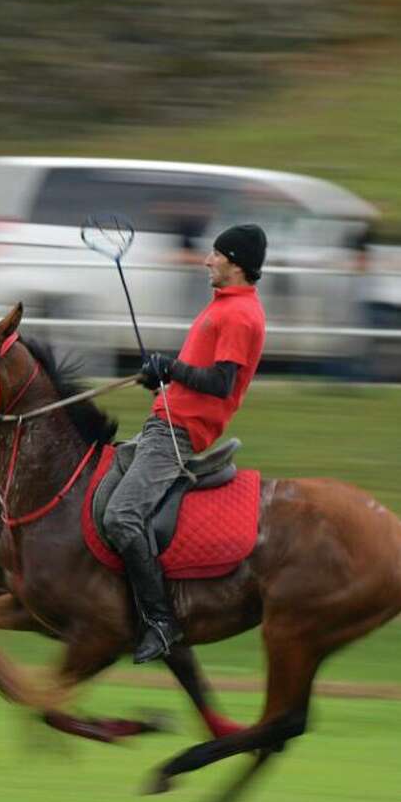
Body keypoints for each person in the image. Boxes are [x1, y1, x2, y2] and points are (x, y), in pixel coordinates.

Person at [105, 223, 268, 664]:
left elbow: (220, 382)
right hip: (163, 422)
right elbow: (196, 375)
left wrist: (170, 369)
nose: (207, 260)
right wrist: (161, 379)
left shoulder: (239, 315)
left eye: (216, 254)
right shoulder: (224, 306)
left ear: (234, 262)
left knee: (122, 517)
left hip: (178, 435)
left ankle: (160, 621)